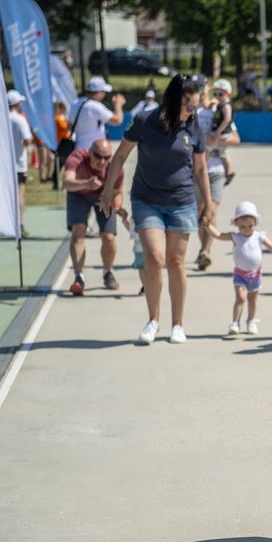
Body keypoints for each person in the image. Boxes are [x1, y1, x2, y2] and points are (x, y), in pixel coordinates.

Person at [100, 74, 214, 345]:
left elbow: (200, 167)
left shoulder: (193, 124)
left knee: (176, 262)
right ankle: (153, 320)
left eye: (195, 107)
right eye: (188, 107)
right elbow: (120, 156)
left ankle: (177, 324)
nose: (192, 112)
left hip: (182, 201)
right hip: (146, 199)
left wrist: (207, 203)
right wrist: (107, 190)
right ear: (173, 101)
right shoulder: (144, 121)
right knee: (154, 257)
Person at [206, 202, 272, 336]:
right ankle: (235, 323)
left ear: (255, 224)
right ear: (236, 224)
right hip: (240, 274)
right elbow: (218, 235)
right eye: (242, 226)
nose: (246, 229)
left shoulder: (259, 236)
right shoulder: (235, 237)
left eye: (250, 226)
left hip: (255, 275)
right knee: (240, 298)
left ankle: (251, 321)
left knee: (252, 299)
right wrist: (208, 226)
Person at [62, 139, 125, 295]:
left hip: (103, 196)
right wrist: (85, 184)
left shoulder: (114, 166)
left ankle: (107, 272)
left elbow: (117, 192)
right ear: (89, 152)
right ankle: (79, 277)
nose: (102, 161)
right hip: (79, 193)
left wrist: (117, 207)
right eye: (98, 156)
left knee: (108, 237)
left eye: (106, 157)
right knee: (78, 232)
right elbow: (66, 182)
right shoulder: (77, 158)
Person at [193, 101, 242, 271]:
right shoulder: (192, 111)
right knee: (200, 211)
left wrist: (217, 138)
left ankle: (205, 251)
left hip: (216, 170)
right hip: (197, 169)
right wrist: (205, 138)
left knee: (211, 208)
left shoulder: (219, 112)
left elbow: (236, 139)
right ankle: (203, 248)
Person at [66, 77, 125, 151]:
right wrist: (118, 105)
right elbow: (117, 120)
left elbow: (69, 126)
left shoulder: (75, 103)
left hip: (78, 148)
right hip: (93, 151)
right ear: (99, 92)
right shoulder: (95, 106)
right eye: (104, 92)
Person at [7, 90, 33, 239]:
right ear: (17, 103)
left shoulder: (0, 118)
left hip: (4, 163)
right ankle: (18, 224)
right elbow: (27, 139)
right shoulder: (19, 119)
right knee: (19, 194)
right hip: (18, 163)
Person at [209, 79, 236, 184]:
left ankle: (229, 172)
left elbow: (227, 119)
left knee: (210, 148)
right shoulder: (220, 104)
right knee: (222, 153)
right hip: (219, 131)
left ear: (228, 93)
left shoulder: (226, 106)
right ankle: (229, 172)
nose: (217, 96)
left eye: (220, 94)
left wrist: (218, 132)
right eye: (215, 93)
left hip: (223, 133)